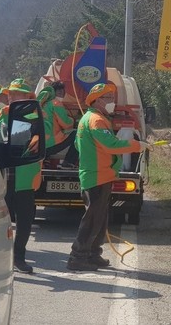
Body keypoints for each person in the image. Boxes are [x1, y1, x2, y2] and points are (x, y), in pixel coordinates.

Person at [67, 83, 150, 271]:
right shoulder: (96, 120)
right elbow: (111, 145)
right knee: (92, 220)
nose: (112, 101)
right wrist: (138, 146)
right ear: (97, 101)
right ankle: (77, 257)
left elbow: (79, 146)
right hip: (96, 176)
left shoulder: (89, 118)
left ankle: (93, 254)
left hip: (100, 175)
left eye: (112, 97)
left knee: (100, 219)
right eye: (108, 98)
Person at [0, 78, 41, 274]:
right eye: (10, 94)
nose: (12, 97)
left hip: (24, 176)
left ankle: (19, 257)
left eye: (17, 94)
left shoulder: (34, 118)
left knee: (24, 221)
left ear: (26, 97)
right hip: (2, 178)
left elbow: (39, 142)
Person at [37, 80, 78, 166]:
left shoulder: (41, 104)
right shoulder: (56, 103)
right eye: (59, 91)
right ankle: (69, 161)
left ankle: (46, 160)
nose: (61, 93)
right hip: (50, 144)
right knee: (78, 134)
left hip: (38, 146)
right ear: (54, 92)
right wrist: (73, 120)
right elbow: (66, 124)